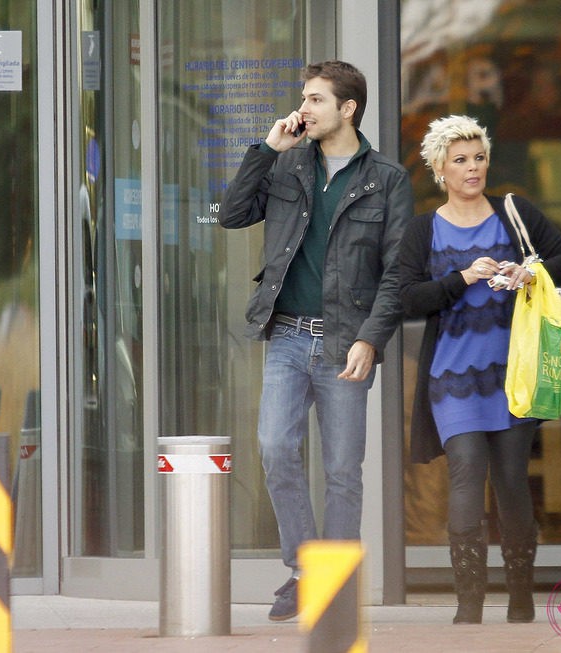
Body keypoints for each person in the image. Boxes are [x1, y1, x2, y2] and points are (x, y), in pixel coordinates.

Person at [220, 60, 414, 621]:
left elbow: (396, 273)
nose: (302, 109)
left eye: (315, 100)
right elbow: (233, 215)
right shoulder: (288, 166)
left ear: (348, 108)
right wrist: (266, 150)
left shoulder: (387, 179)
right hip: (285, 334)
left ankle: (334, 582)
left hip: (345, 342)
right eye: (303, 99)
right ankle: (306, 568)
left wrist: (371, 340)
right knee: (276, 449)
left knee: (342, 470)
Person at [397, 115, 561, 624]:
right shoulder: (423, 229)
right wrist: (459, 278)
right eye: (460, 160)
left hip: (512, 374)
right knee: (465, 475)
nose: (472, 168)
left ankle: (521, 596)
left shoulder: (513, 213)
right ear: (439, 169)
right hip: (452, 378)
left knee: (510, 480)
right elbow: (408, 297)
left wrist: (530, 271)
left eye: (478, 157)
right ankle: (469, 604)